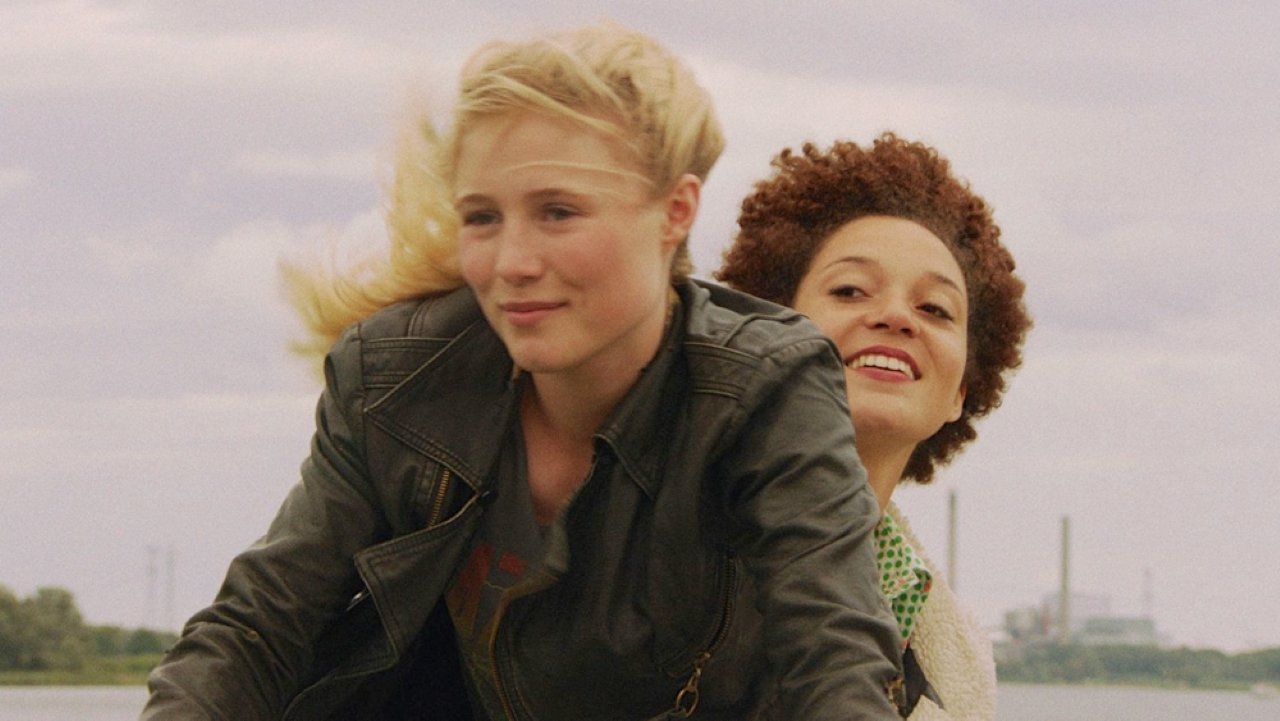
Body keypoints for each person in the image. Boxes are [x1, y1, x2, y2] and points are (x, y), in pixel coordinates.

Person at [142, 23, 908, 721]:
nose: (511, 262)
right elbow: (256, 627)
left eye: (558, 212)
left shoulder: (769, 388)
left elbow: (837, 661)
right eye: (482, 216)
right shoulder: (389, 383)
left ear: (676, 211)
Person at [717, 133, 1032, 719]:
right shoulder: (661, 533)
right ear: (768, 332)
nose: (894, 316)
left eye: (934, 309)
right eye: (850, 290)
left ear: (961, 391)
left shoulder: (953, 661)